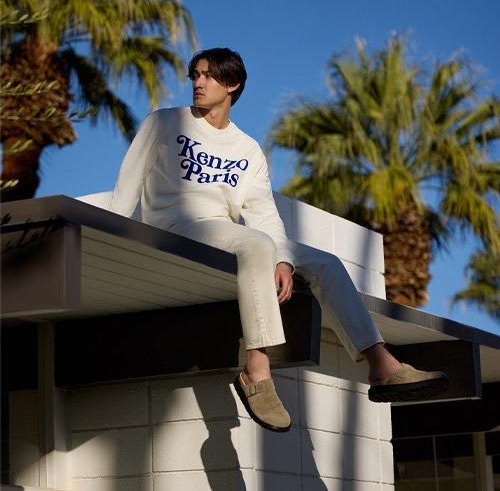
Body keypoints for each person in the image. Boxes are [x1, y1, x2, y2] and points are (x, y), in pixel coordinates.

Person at [108, 47, 449, 433]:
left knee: (326, 263)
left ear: (232, 84)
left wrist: (284, 259)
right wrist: (115, 239)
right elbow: (127, 186)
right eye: (195, 75)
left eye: (208, 76)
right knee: (257, 245)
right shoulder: (164, 122)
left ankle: (381, 365)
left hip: (222, 230)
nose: (198, 83)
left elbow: (264, 214)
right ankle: (257, 369)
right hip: (173, 226)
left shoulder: (247, 149)